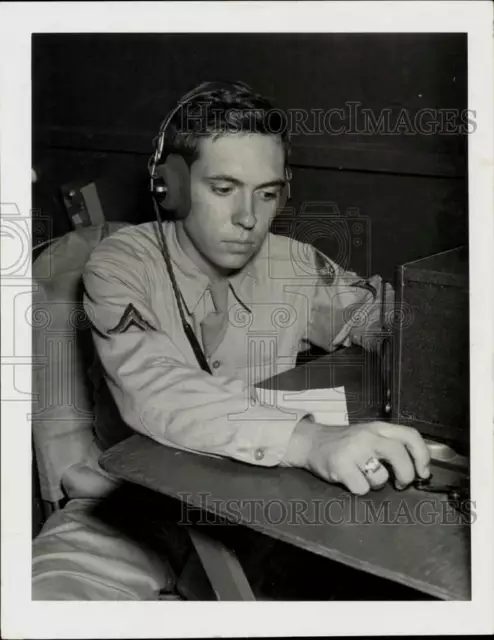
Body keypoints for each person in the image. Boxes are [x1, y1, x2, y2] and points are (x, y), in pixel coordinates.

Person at [32, 80, 430, 601]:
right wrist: (309, 441)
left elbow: (391, 322)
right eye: (223, 190)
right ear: (169, 187)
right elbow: (155, 385)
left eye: (266, 194)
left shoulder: (292, 264)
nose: (249, 219)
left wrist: (421, 345)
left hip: (267, 513)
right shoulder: (119, 263)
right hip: (129, 508)